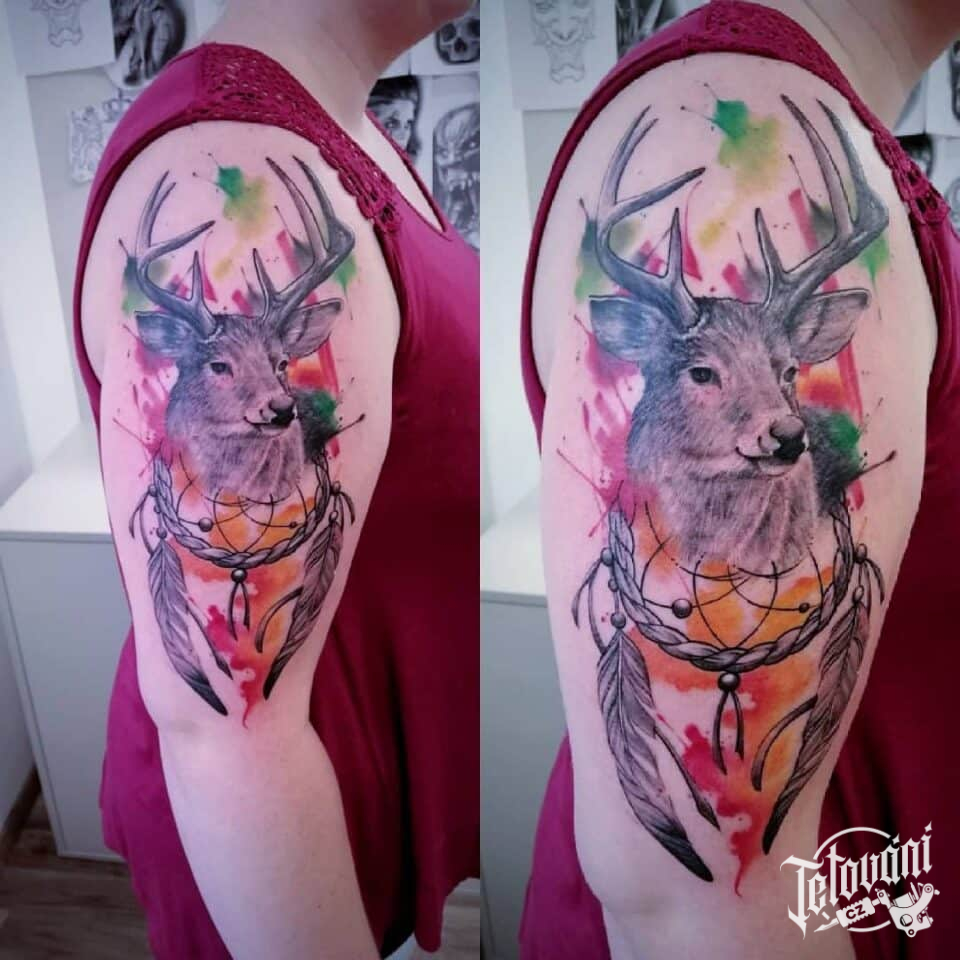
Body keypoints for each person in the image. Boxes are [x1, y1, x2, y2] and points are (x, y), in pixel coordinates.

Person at [520, 1, 960, 957]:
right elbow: (699, 904)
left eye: (784, 377)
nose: (776, 413)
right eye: (710, 375)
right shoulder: (734, 113)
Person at [74, 1, 478, 957]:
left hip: (339, 772)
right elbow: (230, 717)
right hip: (281, 836)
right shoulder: (233, 177)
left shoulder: (334, 122)